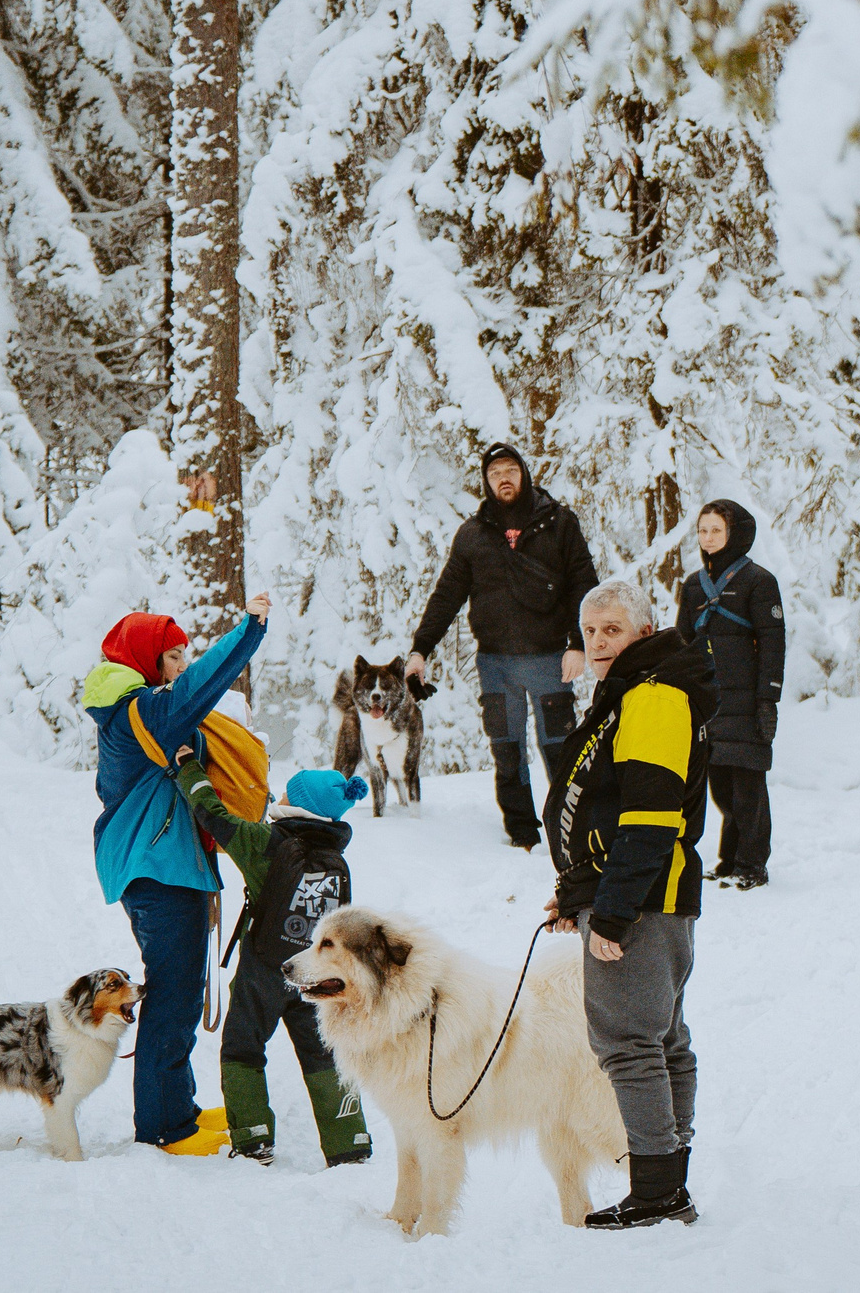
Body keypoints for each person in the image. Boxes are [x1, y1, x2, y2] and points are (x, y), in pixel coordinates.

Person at [544, 578, 713, 1229]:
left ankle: (658, 1189)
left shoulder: (653, 696)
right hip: (637, 889)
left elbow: (648, 817)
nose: (597, 642)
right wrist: (576, 892)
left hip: (643, 896)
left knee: (630, 1042)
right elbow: (606, 809)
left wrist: (612, 912)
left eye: (611, 629)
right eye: (588, 632)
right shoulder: (631, 695)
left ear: (645, 631)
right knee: (661, 1039)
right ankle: (666, 1183)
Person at [82, 597, 270, 1155]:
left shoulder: (136, 712)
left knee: (180, 992)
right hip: (158, 871)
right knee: (174, 995)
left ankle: (178, 1109)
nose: (183, 665)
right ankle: (164, 1127)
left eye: (186, 653)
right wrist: (250, 630)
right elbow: (200, 688)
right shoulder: (141, 711)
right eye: (173, 655)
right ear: (145, 660)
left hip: (165, 868)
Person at [174, 750, 375, 1168]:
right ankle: (349, 1142)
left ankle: (252, 1138)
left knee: (242, 1048)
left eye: (287, 791)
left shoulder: (264, 843)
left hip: (263, 970)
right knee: (323, 1053)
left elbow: (211, 814)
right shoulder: (332, 856)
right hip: (316, 976)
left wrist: (189, 768)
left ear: (296, 804)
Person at [407, 443, 599, 849]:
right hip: (495, 663)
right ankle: (522, 834)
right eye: (495, 473)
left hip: (550, 658)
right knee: (507, 749)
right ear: (486, 481)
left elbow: (584, 584)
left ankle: (571, 831)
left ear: (524, 474)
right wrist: (420, 649)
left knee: (559, 749)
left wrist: (580, 644)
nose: (504, 478)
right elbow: (446, 596)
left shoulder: (559, 523)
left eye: (511, 470)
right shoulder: (473, 535)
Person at [674, 500, 784, 890]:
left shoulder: (759, 581)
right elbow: (683, 642)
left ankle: (753, 864)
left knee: (749, 787)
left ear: (734, 533)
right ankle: (729, 859)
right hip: (708, 701)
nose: (707, 538)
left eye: (715, 530)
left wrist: (768, 698)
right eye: (702, 530)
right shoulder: (692, 586)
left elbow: (773, 642)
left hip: (749, 701)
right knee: (720, 786)